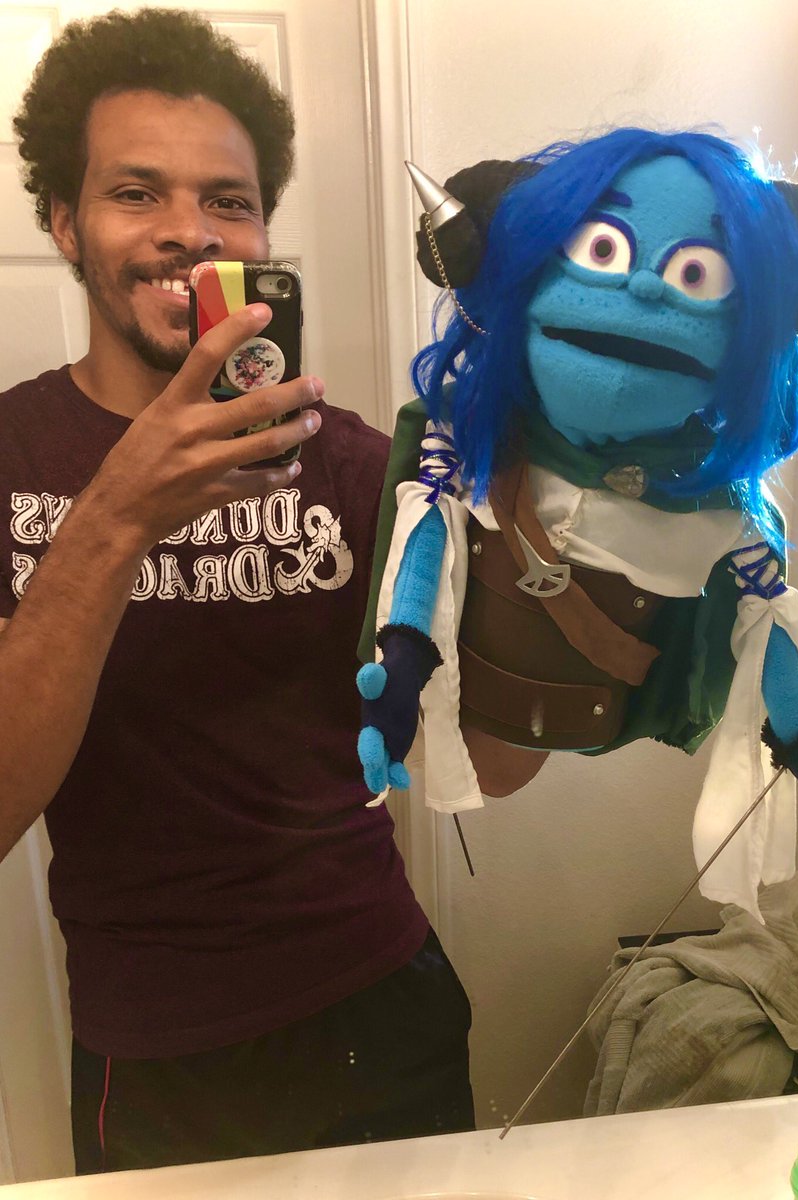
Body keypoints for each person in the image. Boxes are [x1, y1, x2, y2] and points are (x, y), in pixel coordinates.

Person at [0, 8, 473, 1175]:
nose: (189, 232)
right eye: (136, 193)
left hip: (382, 1006)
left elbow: (494, 752)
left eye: (229, 201)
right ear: (62, 219)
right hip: (153, 1055)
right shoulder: (10, 457)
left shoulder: (353, 460)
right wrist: (115, 516)